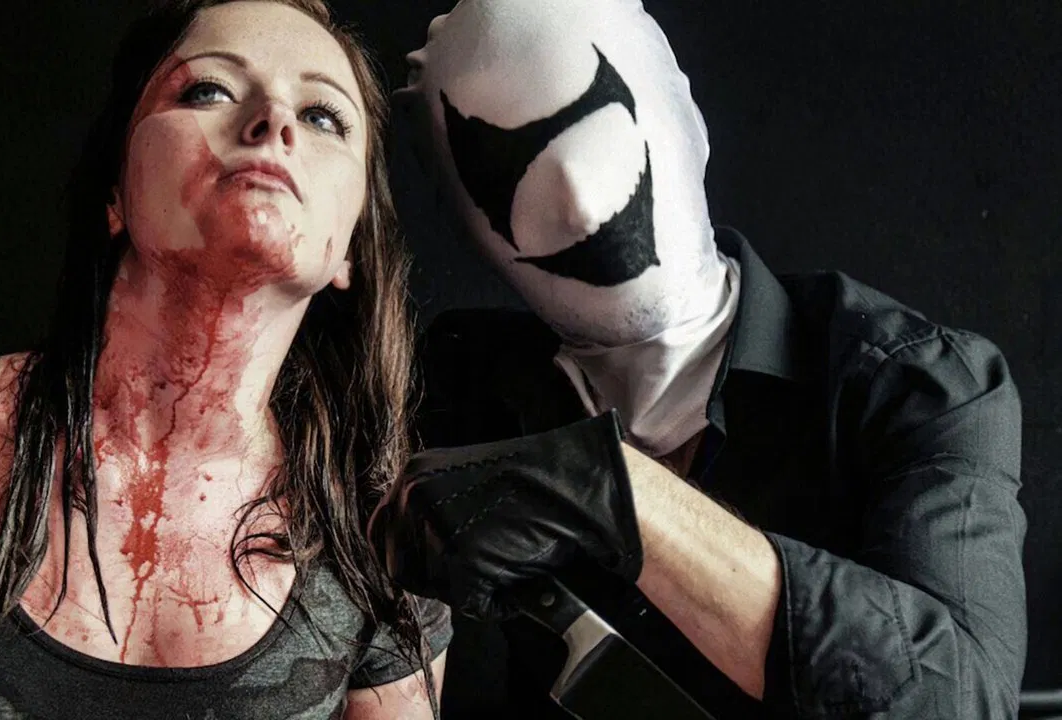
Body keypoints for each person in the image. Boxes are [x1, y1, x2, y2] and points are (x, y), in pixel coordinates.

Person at [0, 1, 450, 717]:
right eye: (209, 90)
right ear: (115, 191)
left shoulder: (387, 533)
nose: (274, 122)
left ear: (351, 248)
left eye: (322, 115)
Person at [371, 0, 1028, 718]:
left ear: (688, 122)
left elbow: (961, 701)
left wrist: (617, 491)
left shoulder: (912, 382)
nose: (581, 202)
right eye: (509, 174)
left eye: (599, 126)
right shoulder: (453, 385)